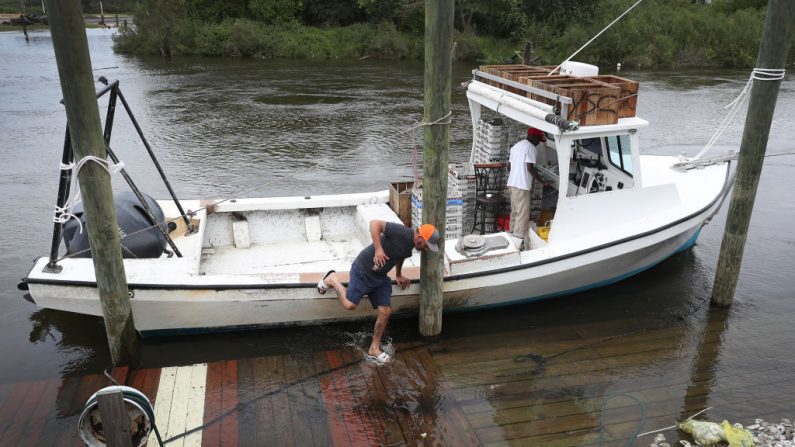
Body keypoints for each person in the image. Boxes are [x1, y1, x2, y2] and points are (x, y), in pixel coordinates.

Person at [316, 220, 440, 364]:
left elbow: (400, 257)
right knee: (350, 305)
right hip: (362, 269)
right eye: (427, 245)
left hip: (379, 277)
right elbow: (375, 224)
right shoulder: (402, 232)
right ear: (420, 238)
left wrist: (398, 274)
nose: (426, 249)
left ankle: (374, 348)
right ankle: (332, 279)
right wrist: (378, 249)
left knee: (386, 311)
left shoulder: (409, 246)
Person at [507, 127, 549, 248]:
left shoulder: (516, 146)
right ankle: (517, 243)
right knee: (523, 215)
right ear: (533, 137)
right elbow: (530, 168)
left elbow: (509, 167)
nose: (538, 143)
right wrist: (542, 181)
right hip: (522, 185)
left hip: (512, 183)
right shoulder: (530, 148)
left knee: (515, 212)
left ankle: (512, 235)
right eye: (538, 140)